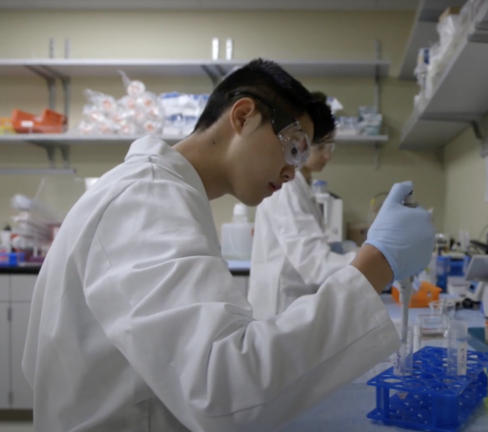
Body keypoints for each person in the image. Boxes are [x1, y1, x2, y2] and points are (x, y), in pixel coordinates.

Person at [22, 58, 435, 432]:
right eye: (293, 148)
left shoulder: (167, 195)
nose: (293, 171)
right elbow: (221, 387)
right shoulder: (145, 200)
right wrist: (376, 264)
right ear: (243, 116)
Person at [249, 91, 355, 319]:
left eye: (331, 147)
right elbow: (315, 265)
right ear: (299, 143)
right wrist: (375, 257)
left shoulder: (302, 185)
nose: (328, 156)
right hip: (281, 307)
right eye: (321, 147)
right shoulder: (287, 187)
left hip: (293, 303)